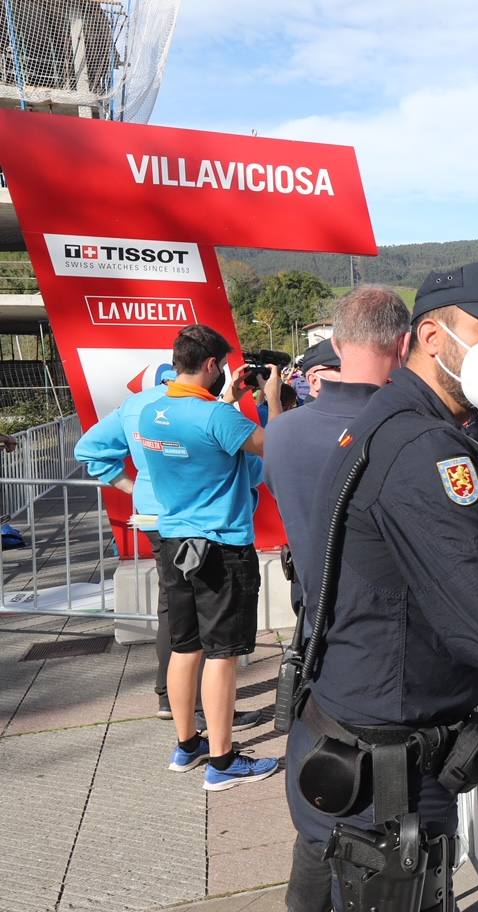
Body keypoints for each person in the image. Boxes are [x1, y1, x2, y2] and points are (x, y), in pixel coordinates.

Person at [284, 261, 478, 910]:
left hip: (348, 760)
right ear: (433, 338)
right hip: (384, 792)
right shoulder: (426, 449)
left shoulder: (388, 419)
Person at [137, 325, 281, 791]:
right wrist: (272, 399)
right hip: (222, 547)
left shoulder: (152, 411)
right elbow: (275, 448)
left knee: (186, 647)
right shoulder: (215, 419)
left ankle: (188, 744)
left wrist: (231, 401)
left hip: (174, 543)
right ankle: (223, 762)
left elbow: (210, 434)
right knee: (223, 655)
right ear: (214, 364)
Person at [263, 285, 409, 654]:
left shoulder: (279, 432)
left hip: (317, 624)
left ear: (340, 345)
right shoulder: (410, 429)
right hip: (397, 642)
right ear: (404, 346)